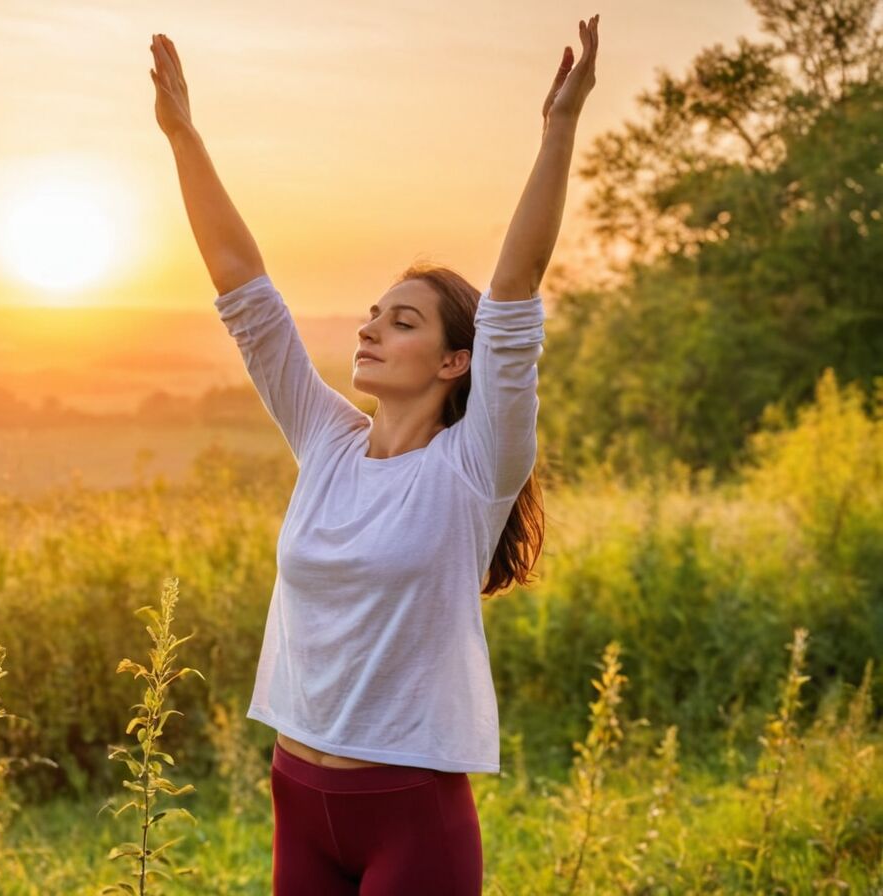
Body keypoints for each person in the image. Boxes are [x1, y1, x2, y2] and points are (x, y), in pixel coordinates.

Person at [150, 16, 599, 896]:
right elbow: (247, 290)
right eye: (371, 313)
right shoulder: (326, 444)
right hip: (296, 794)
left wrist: (558, 131)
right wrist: (184, 138)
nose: (370, 328)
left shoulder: (475, 469)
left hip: (411, 811)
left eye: (403, 321)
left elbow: (512, 296)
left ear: (453, 361)